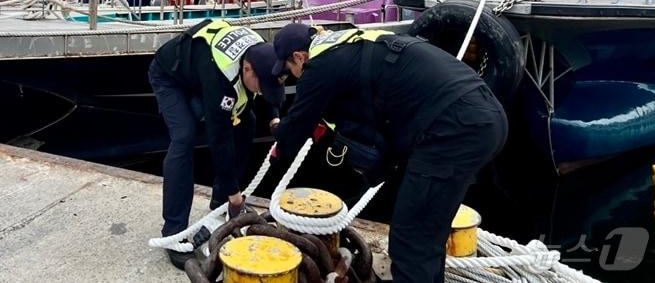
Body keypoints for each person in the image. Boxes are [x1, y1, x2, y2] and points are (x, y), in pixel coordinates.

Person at [271, 23, 507, 283]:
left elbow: (295, 129)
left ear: (299, 57)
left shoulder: (319, 66)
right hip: (481, 114)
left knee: (410, 241)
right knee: (426, 235)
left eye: (290, 71)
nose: (294, 77)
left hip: (453, 130)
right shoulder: (352, 43)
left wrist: (276, 131)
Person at [149, 19, 284, 270]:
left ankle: (220, 204)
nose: (263, 92)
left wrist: (275, 117)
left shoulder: (260, 52)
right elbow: (219, 138)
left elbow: (269, 85)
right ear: (246, 69)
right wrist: (236, 194)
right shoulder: (222, 76)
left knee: (248, 121)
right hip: (170, 76)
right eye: (261, 86)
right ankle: (173, 233)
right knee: (184, 137)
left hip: (197, 73)